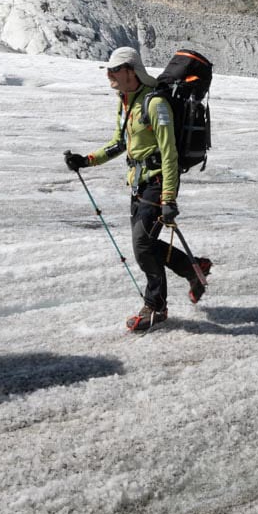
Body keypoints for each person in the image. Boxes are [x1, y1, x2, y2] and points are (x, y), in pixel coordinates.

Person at [64, 47, 209, 332]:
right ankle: (193, 269)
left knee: (142, 246)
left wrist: (169, 198)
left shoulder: (155, 105)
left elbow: (169, 155)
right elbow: (120, 143)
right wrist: (87, 160)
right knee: (147, 245)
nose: (109, 75)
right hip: (138, 183)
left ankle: (155, 306)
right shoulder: (126, 102)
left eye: (115, 69)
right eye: (108, 69)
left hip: (157, 184)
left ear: (131, 70)